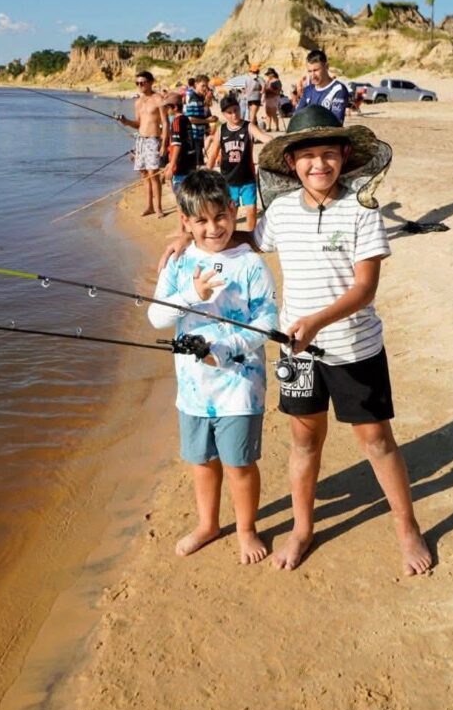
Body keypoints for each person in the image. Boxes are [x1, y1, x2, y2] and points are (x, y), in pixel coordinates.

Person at [159, 106, 431, 577]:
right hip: (296, 352)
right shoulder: (282, 211)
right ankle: (302, 529)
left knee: (376, 441)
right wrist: (189, 239)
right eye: (307, 157)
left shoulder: (363, 210)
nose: (318, 164)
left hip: (353, 348)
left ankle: (407, 528)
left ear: (345, 156)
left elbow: (365, 288)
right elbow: (244, 239)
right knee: (304, 442)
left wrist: (319, 321)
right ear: (291, 163)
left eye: (329, 154)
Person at [148, 170, 279, 564]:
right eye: (201, 220)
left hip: (241, 385)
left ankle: (246, 528)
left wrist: (226, 349)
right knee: (202, 461)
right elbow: (157, 318)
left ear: (234, 210)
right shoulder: (178, 262)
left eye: (220, 216)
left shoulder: (250, 264)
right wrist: (192, 293)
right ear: (185, 222)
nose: (213, 228)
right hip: (193, 388)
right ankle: (208, 524)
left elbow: (267, 321)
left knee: (239, 463)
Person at [205, 95, 271, 231]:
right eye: (229, 112)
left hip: (247, 178)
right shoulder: (221, 130)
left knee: (251, 210)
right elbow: (213, 153)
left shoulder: (248, 126)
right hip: (228, 180)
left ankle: (251, 236)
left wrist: (277, 141)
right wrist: (206, 173)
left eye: (236, 110)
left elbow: (263, 137)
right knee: (231, 212)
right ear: (224, 114)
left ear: (240, 108)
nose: (234, 114)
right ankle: (233, 236)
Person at [117, 70, 168, 217]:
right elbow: (138, 124)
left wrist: (164, 144)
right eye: (137, 83)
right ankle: (149, 206)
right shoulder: (138, 102)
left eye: (142, 83)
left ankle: (158, 208)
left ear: (151, 82)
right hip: (140, 140)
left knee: (153, 173)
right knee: (144, 173)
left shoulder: (158, 99)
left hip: (153, 139)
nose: (139, 85)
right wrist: (126, 122)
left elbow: (165, 123)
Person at [296, 49, 350, 122]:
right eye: (310, 71)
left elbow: (337, 122)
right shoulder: (308, 90)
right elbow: (296, 117)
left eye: (316, 70)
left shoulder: (338, 89)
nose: (313, 75)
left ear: (326, 66)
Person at [162, 92, 198, 193]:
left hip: (181, 166)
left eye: (167, 107)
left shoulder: (176, 121)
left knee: (181, 196)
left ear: (175, 107)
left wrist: (171, 166)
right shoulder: (186, 119)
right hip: (191, 164)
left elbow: (177, 145)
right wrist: (170, 163)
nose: (166, 110)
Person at [184, 74, 214, 164]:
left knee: (199, 161)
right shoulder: (193, 98)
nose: (205, 88)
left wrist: (208, 100)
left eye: (206, 86)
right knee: (196, 163)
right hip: (193, 135)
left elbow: (201, 113)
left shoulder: (200, 97)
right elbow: (190, 119)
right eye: (203, 85)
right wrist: (208, 121)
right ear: (196, 84)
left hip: (199, 134)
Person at [262, 68, 284, 132]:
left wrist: (270, 90)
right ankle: (268, 127)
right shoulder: (268, 81)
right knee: (268, 113)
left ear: (272, 74)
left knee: (273, 113)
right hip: (268, 98)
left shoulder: (277, 81)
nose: (268, 76)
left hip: (274, 98)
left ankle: (277, 127)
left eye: (269, 74)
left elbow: (278, 91)